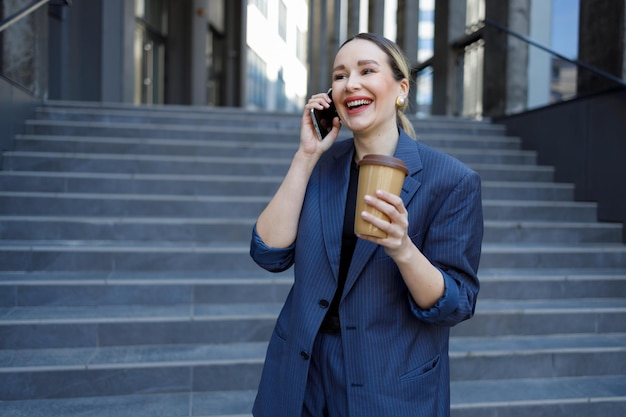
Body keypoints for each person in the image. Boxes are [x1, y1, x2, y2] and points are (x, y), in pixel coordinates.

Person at [249, 32, 483, 417]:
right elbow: (268, 252)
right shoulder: (320, 165)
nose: (350, 83)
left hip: (389, 384)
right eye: (340, 76)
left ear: (400, 89)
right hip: (300, 374)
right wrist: (306, 156)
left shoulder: (451, 180)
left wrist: (403, 249)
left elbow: (455, 303)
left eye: (366, 70)